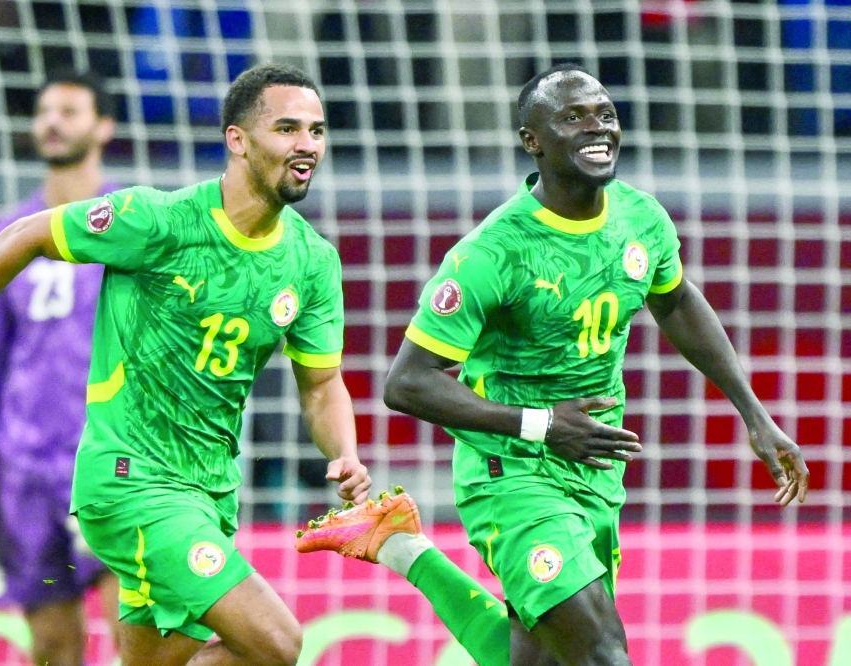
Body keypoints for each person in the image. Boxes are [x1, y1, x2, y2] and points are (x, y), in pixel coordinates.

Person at [295, 63, 809, 666]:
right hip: (511, 472)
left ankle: (401, 546)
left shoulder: (640, 219)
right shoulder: (495, 253)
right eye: (573, 117)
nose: (598, 128)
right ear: (531, 141)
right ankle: (403, 545)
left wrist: (753, 413)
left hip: (594, 465)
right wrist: (541, 424)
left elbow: (673, 300)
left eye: (606, 115)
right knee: (602, 656)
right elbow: (406, 384)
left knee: (539, 659)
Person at [0, 63, 371, 666]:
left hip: (210, 492)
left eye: (317, 131)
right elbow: (26, 234)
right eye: (288, 128)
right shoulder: (158, 221)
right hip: (128, 480)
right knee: (278, 645)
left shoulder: (312, 262)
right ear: (237, 140)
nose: (308, 146)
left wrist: (343, 452)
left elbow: (321, 386)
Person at [0, 68, 121, 666]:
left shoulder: (131, 225)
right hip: (25, 468)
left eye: (70, 111)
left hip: (110, 459)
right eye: (45, 110)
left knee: (137, 632)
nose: (52, 121)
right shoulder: (8, 233)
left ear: (103, 126)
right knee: (50, 644)